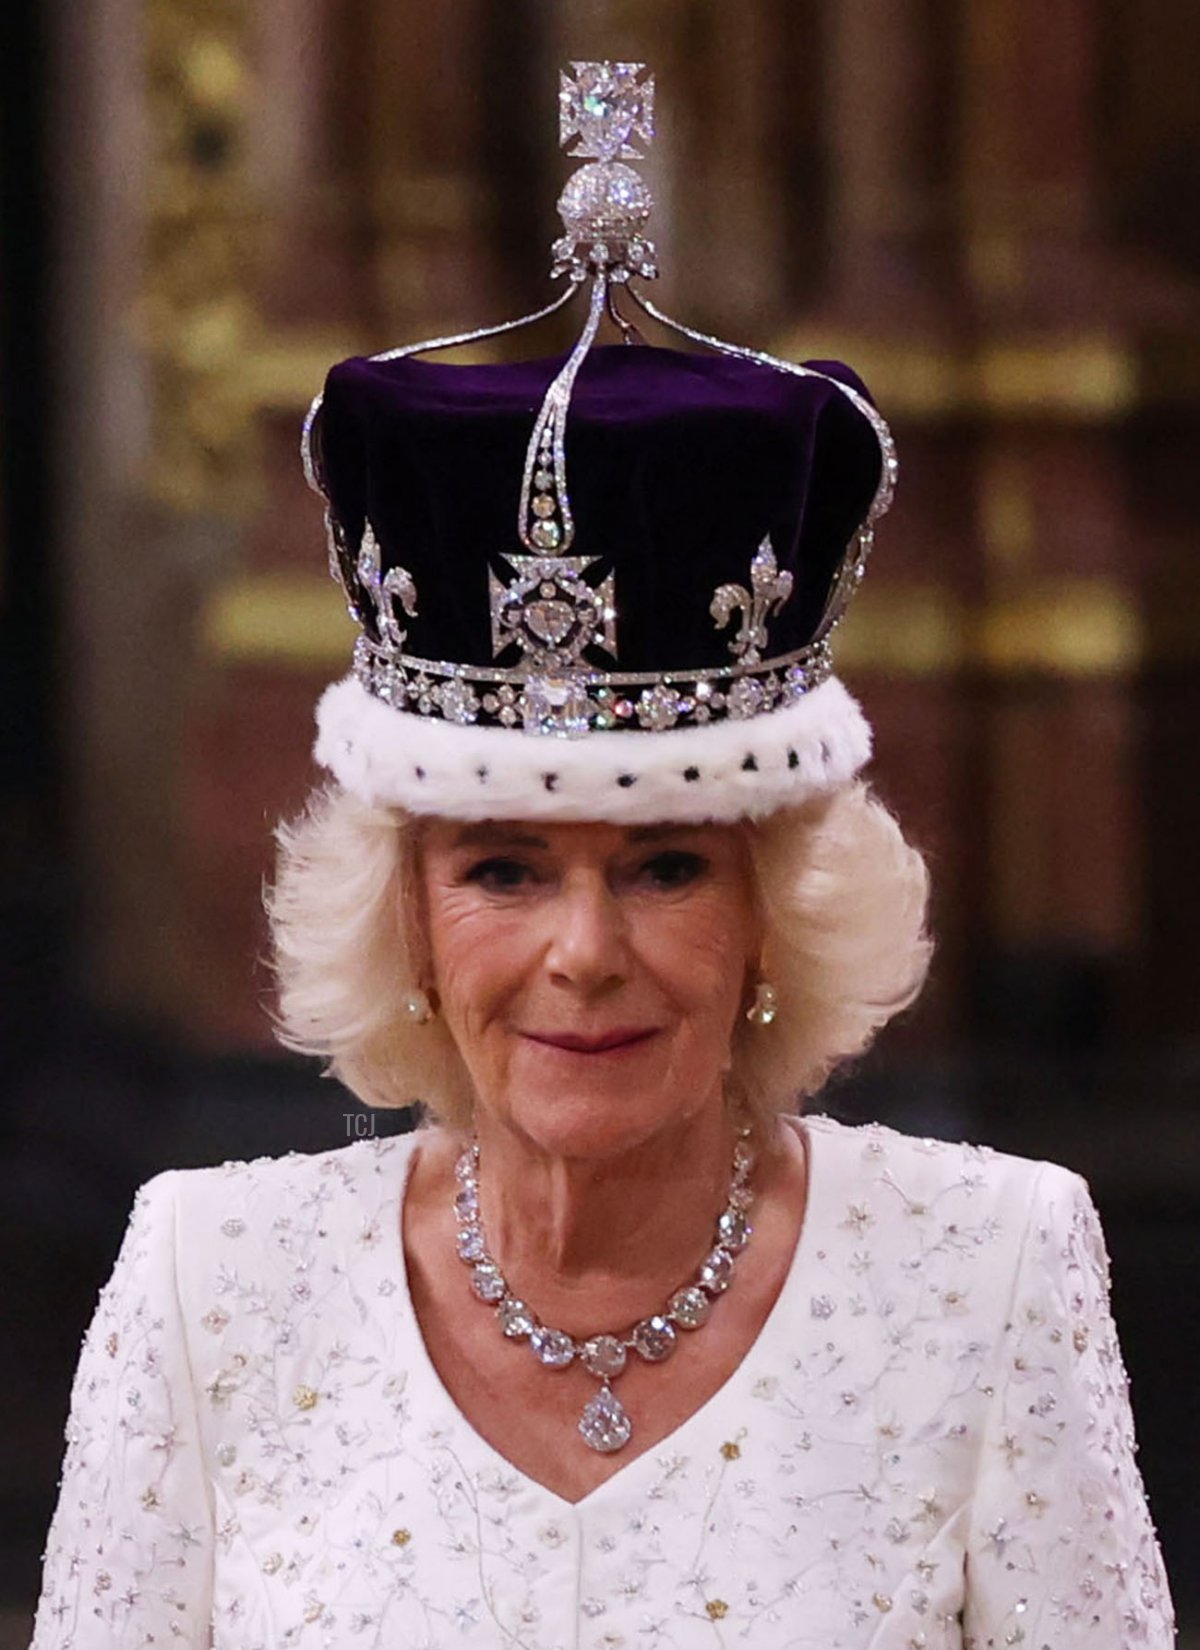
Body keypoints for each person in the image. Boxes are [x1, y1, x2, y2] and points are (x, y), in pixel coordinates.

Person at [30, 61, 1173, 1650]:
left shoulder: (988, 1276)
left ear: (780, 907)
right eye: (502, 867)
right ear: (407, 920)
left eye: (666, 865)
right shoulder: (208, 1285)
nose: (583, 948)